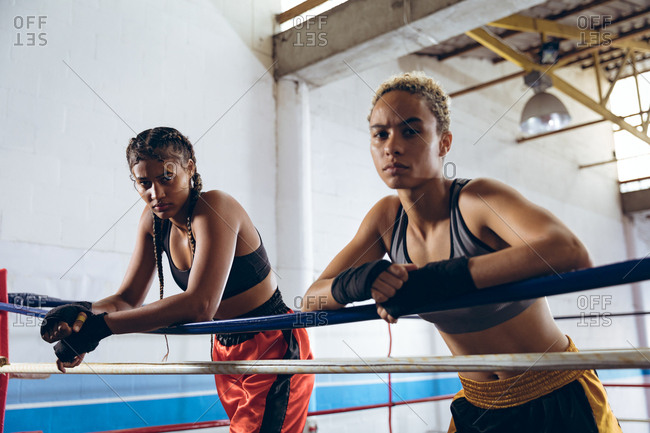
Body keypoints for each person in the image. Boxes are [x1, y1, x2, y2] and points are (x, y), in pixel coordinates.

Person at [303, 72, 621, 432]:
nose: (392, 146)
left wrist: (440, 280)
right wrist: (361, 281)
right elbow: (311, 300)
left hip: (554, 395)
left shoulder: (475, 200)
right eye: (381, 134)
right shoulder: (385, 220)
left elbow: (569, 252)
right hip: (477, 404)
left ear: (443, 143)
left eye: (411, 130)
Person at [41, 127, 314, 433]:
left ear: (189, 168)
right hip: (224, 345)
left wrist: (99, 328)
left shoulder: (214, 207)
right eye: (144, 183)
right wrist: (80, 314)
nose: (155, 194)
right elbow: (127, 300)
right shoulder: (153, 222)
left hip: (271, 341)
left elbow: (201, 305)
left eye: (166, 178)